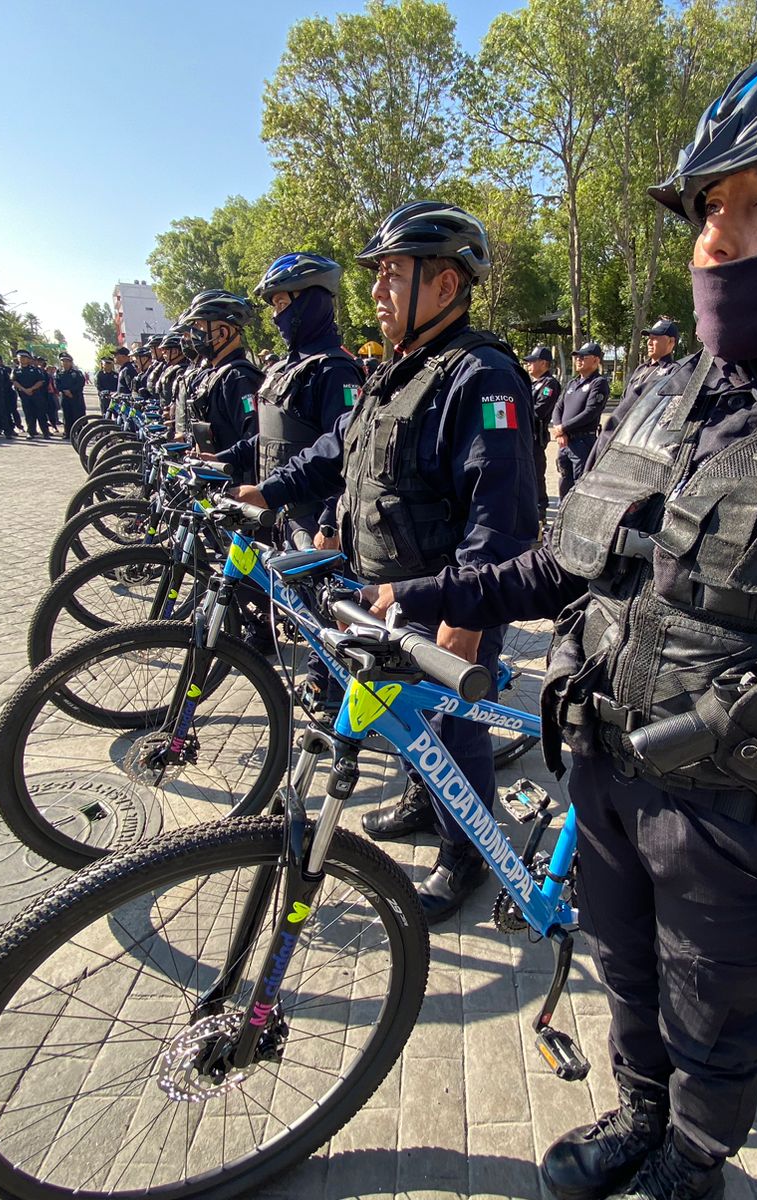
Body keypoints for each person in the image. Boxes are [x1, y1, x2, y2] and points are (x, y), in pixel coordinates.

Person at [363, 35, 757, 1200]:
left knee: (713, 1010)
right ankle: (636, 1114)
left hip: (740, 823)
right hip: (603, 773)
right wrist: (427, 593)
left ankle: (695, 1158)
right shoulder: (663, 400)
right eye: (712, 208)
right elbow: (556, 568)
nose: (719, 237)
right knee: (622, 970)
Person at [231, 201, 538, 922]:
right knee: (404, 724)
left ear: (446, 285)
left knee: (457, 736)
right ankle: (424, 802)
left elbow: (503, 511)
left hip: (447, 601)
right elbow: (336, 450)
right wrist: (267, 489)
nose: (375, 291)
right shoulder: (395, 374)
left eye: (393, 273)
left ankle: (466, 853)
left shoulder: (482, 377)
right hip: (381, 595)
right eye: (376, 276)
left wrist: (469, 613)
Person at [217, 253, 363, 543]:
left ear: (310, 304)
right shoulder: (286, 369)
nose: (276, 316)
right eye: (274, 307)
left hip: (314, 525)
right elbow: (273, 438)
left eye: (282, 303)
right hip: (280, 514)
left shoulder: (334, 370)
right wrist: (223, 459)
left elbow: (350, 451)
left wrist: (330, 523)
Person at [176, 291, 262, 474]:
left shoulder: (239, 378)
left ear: (222, 333)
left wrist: (221, 459)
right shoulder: (213, 375)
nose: (194, 335)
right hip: (214, 479)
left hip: (234, 486)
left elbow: (254, 440)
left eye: (199, 326)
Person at [551, 343, 610, 497]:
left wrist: (564, 428)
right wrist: (559, 429)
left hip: (583, 442)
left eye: (583, 357)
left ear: (596, 360)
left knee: (581, 483)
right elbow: (558, 407)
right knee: (564, 479)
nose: (578, 359)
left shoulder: (598, 383)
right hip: (565, 442)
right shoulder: (572, 383)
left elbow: (590, 412)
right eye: (577, 357)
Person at [619, 317, 684, 422]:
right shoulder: (641, 368)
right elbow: (624, 399)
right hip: (623, 430)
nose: (649, 342)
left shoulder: (674, 371)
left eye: (655, 338)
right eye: (649, 338)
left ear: (671, 342)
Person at [524, 345, 561, 524]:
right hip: (526, 435)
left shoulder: (549, 384)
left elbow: (540, 410)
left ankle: (540, 513)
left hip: (536, 436)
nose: (528, 364)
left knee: (536, 474)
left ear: (544, 363)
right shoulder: (532, 384)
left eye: (532, 361)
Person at [12, 349, 51, 437]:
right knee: (29, 415)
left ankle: (45, 432)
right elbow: (14, 381)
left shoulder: (35, 370)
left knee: (41, 414)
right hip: (24, 395)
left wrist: (31, 389)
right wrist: (24, 389)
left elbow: (41, 381)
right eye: (20, 357)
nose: (22, 359)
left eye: (24, 357)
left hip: (36, 394)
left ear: (29, 359)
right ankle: (31, 432)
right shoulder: (16, 371)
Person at [55, 352, 89, 435]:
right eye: (63, 361)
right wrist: (65, 391)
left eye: (67, 361)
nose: (65, 363)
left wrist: (71, 391)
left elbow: (80, 383)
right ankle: (68, 432)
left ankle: (79, 432)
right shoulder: (59, 373)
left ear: (71, 362)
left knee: (77, 415)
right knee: (66, 415)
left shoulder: (77, 373)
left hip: (76, 397)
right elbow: (57, 384)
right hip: (65, 397)